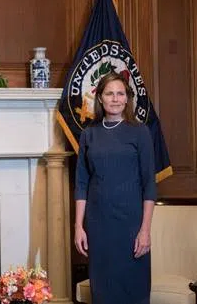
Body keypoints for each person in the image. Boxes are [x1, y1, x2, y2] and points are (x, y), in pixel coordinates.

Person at [74, 72, 156, 304]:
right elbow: (81, 182)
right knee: (103, 292)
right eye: (109, 93)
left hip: (131, 225)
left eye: (120, 93)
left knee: (134, 290)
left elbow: (149, 183)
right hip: (99, 226)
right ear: (100, 98)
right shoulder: (89, 134)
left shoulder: (140, 132)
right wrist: (78, 226)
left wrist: (145, 230)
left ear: (127, 98)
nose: (115, 98)